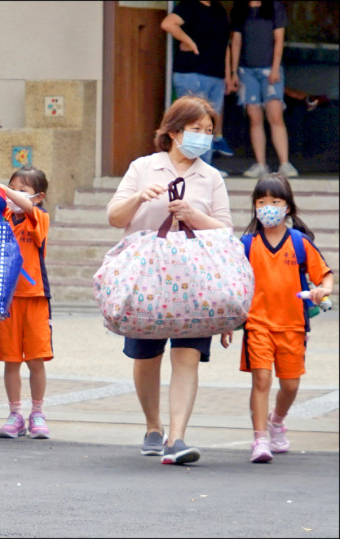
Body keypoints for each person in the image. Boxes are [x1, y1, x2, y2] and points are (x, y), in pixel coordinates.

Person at [106, 95, 233, 465]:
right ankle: (153, 425)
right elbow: (115, 216)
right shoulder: (144, 168)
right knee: (147, 357)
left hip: (196, 281)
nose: (204, 138)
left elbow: (225, 231)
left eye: (209, 132)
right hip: (147, 279)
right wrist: (138, 200)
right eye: (197, 130)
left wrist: (194, 215)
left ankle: (177, 438)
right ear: (175, 131)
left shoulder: (211, 178)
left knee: (187, 356)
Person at [220, 174, 333, 463]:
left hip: (293, 325)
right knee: (261, 379)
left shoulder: (300, 243)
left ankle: (277, 421)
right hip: (257, 325)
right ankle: (260, 440)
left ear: (287, 207)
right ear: (254, 206)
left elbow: (325, 275)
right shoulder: (245, 244)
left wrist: (323, 290)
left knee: (291, 384)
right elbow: (233, 287)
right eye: (261, 201)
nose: (268, 206)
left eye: (275, 201)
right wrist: (227, 323)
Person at [0, 168, 53, 440]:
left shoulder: (40, 217)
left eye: (23, 190)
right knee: (10, 360)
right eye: (12, 188)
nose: (15, 195)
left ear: (39, 197)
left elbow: (25, 205)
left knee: (36, 359)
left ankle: (37, 412)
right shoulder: (2, 218)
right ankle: (15, 414)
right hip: (5, 301)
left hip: (35, 299)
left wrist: (1, 188)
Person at [161, 0, 234, 173]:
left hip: (215, 74)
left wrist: (228, 75)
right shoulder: (188, 5)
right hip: (192, 72)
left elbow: (225, 45)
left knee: (208, 124)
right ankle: (185, 169)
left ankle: (204, 169)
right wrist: (190, 41)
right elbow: (168, 23)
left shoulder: (219, 10)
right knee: (191, 122)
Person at [229, 0, 298, 178]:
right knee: (254, 117)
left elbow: (279, 39)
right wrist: (234, 71)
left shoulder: (274, 6)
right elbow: (236, 40)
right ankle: (260, 164)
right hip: (247, 70)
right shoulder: (240, 8)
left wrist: (275, 68)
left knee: (275, 115)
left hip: (270, 69)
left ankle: (285, 163)